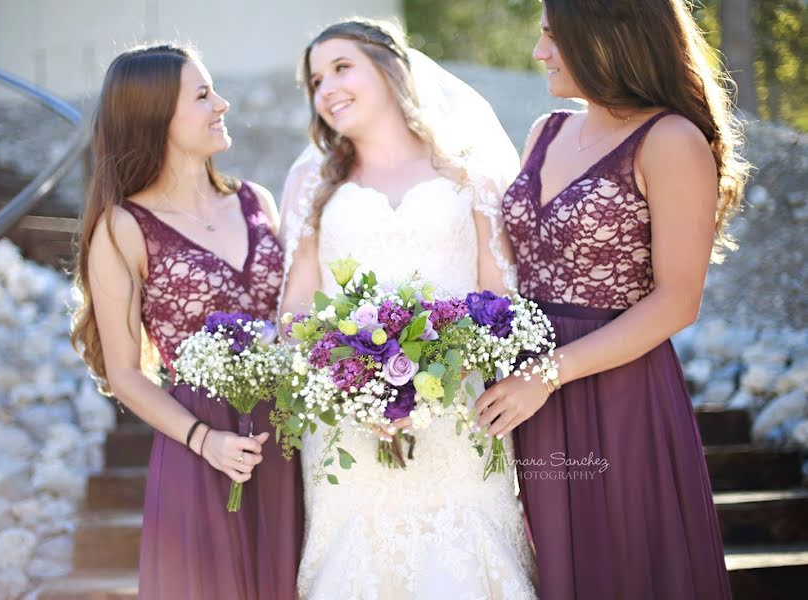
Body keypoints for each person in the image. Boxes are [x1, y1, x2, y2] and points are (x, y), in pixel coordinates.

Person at [477, 1, 748, 598]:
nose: (538, 53)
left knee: (618, 563)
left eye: (553, 37)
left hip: (617, 392)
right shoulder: (545, 132)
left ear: (607, 39)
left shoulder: (670, 139)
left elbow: (678, 302)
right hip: (525, 387)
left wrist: (546, 376)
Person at [279, 18, 537, 599]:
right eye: (316, 80)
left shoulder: (467, 171)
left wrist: (448, 375)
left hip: (462, 414)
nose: (327, 89)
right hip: (348, 426)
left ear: (391, 68)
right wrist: (349, 384)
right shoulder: (314, 184)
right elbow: (294, 310)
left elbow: (502, 297)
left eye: (342, 68)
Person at [70, 43, 302, 599]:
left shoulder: (257, 201)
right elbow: (124, 374)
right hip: (202, 449)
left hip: (292, 433)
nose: (222, 103)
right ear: (155, 118)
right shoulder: (123, 228)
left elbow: (295, 314)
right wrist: (205, 441)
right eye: (202, 95)